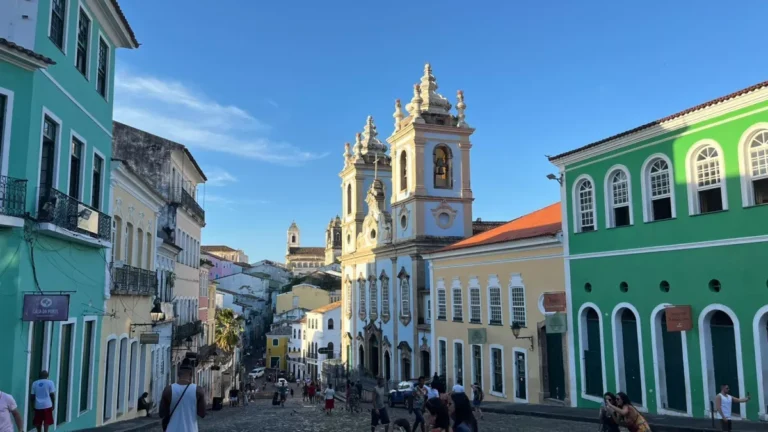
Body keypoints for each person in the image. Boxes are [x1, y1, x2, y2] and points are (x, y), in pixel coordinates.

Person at [159, 360, 206, 432]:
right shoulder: (198, 390)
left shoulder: (168, 390)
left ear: (178, 374)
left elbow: (162, 414)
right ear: (191, 375)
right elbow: (202, 414)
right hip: (191, 429)